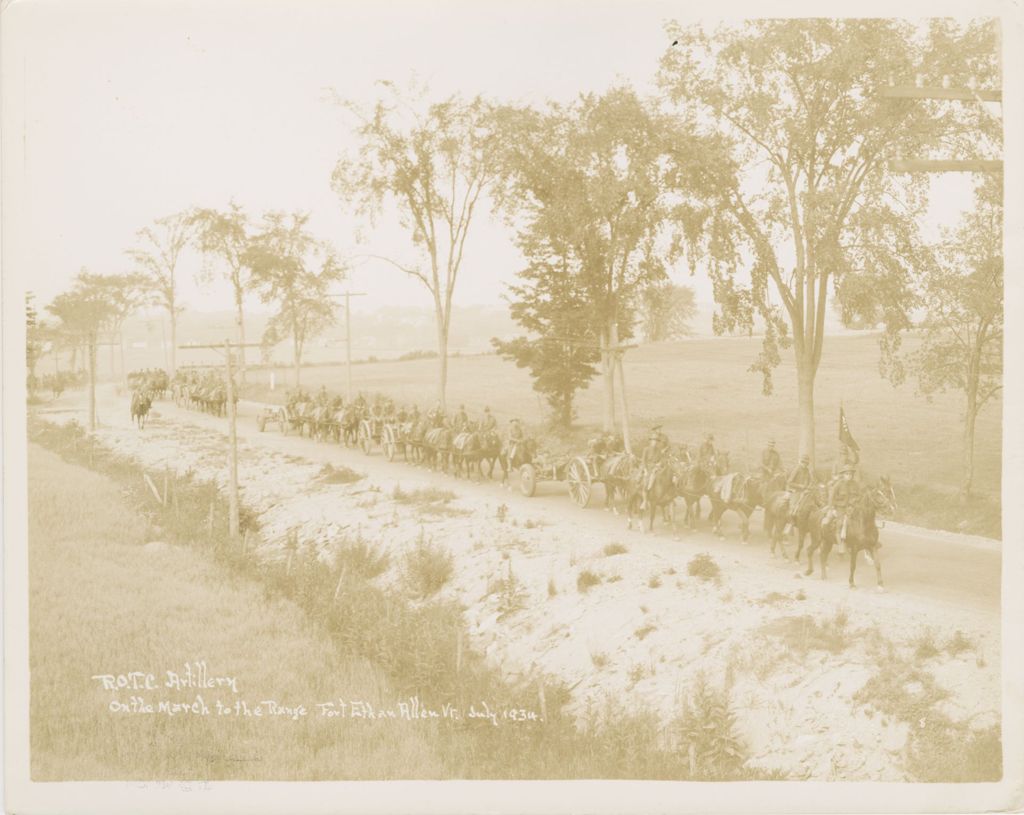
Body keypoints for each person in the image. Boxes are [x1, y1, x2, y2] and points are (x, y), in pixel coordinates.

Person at [827, 466, 862, 555]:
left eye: (850, 474)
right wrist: (832, 508)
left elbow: (859, 495)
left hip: (852, 507)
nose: (849, 476)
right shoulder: (838, 484)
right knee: (841, 524)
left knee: (862, 519)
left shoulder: (855, 484)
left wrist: (854, 500)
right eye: (847, 474)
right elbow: (831, 497)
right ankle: (840, 544)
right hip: (840, 507)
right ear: (843, 475)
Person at [639, 427, 666, 511]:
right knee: (647, 481)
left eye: (656, 441)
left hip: (656, 468)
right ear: (650, 441)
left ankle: (664, 495)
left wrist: (659, 464)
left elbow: (661, 459)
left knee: (664, 477)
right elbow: (643, 461)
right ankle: (645, 500)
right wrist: (645, 470)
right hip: (647, 467)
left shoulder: (659, 450)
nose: (654, 442)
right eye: (653, 441)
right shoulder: (646, 449)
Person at [786, 454, 813, 521]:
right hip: (796, 491)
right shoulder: (797, 469)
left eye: (807, 463)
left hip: (805, 492)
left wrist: (810, 485)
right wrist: (799, 485)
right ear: (801, 462)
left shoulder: (807, 470)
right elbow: (789, 482)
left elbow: (810, 480)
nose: (805, 464)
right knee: (793, 510)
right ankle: (791, 522)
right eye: (804, 462)